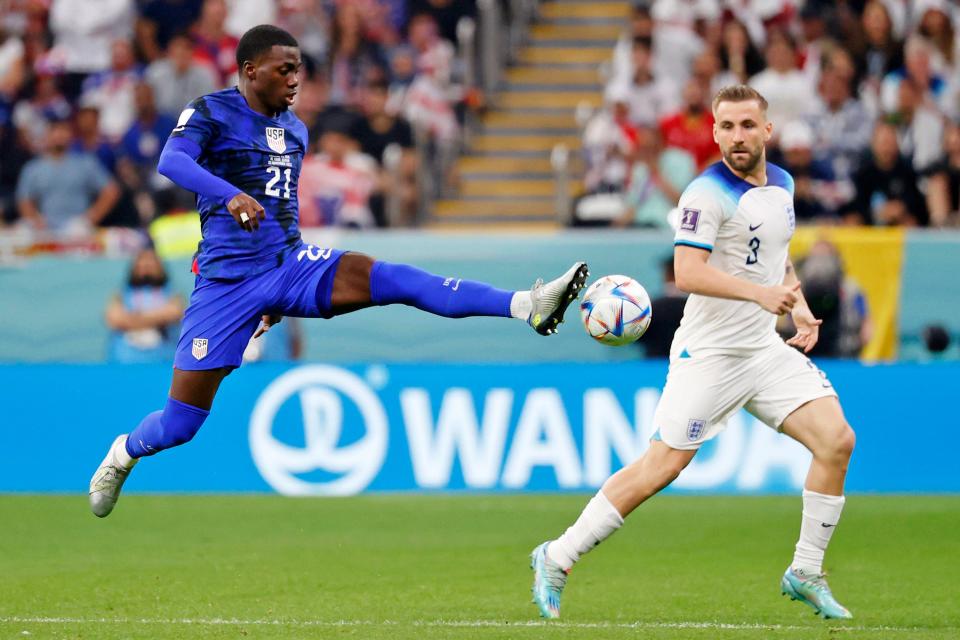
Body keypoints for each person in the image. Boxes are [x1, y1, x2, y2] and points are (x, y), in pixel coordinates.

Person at [88, 25, 589, 517]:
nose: (294, 80)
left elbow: (281, 210)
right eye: (283, 70)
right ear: (249, 70)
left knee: (394, 279)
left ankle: (526, 304)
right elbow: (172, 160)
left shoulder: (295, 130)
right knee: (180, 424)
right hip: (227, 285)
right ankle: (123, 453)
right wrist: (230, 194)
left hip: (288, 264)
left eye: (298, 70)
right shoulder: (211, 111)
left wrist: (279, 298)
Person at [530, 85, 856, 621]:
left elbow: (777, 256)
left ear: (767, 130)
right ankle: (557, 556)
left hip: (763, 349)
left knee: (837, 441)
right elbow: (687, 273)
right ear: (714, 132)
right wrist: (761, 295)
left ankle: (805, 570)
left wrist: (794, 304)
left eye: (747, 125)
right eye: (726, 127)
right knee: (663, 466)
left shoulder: (783, 184)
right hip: (708, 354)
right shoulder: (704, 195)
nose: (737, 137)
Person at [106, 246, 185, 363]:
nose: (147, 269)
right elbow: (114, 319)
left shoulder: (172, 292)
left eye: (151, 265)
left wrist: (133, 319)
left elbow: (174, 313)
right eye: (142, 266)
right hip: (125, 360)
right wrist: (157, 318)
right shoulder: (121, 294)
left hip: (163, 360)